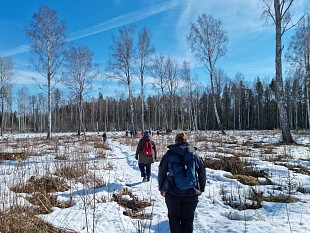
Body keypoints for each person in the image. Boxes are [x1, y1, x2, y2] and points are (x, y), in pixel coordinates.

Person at [158, 132, 206, 233]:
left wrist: (161, 188)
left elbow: (162, 171)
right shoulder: (194, 153)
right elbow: (202, 171)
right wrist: (201, 188)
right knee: (188, 220)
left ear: (176, 141)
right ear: (186, 140)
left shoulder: (169, 154)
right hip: (191, 192)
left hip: (172, 192)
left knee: (174, 218)